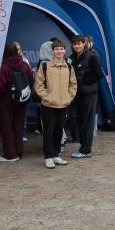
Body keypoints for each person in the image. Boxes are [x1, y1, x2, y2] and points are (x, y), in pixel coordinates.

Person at [34, 40, 78, 169]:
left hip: (63, 104)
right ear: (52, 51)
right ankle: (48, 157)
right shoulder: (45, 66)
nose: (59, 51)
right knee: (48, 131)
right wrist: (47, 97)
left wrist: (68, 98)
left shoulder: (69, 67)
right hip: (48, 105)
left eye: (62, 49)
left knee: (59, 131)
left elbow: (73, 85)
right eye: (57, 49)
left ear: (65, 51)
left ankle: (56, 155)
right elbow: (39, 85)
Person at [0, 42, 33, 162]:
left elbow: (0, 85)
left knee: (7, 127)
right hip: (21, 99)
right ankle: (18, 152)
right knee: (18, 126)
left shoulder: (3, 66)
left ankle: (10, 154)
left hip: (6, 100)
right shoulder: (24, 64)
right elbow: (30, 79)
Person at [70, 34, 104, 159]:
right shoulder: (72, 57)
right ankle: (83, 147)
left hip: (89, 94)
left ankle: (85, 150)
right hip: (77, 94)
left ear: (84, 44)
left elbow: (99, 74)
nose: (77, 46)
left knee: (87, 123)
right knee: (80, 122)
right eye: (75, 44)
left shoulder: (92, 56)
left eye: (79, 43)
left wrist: (86, 81)